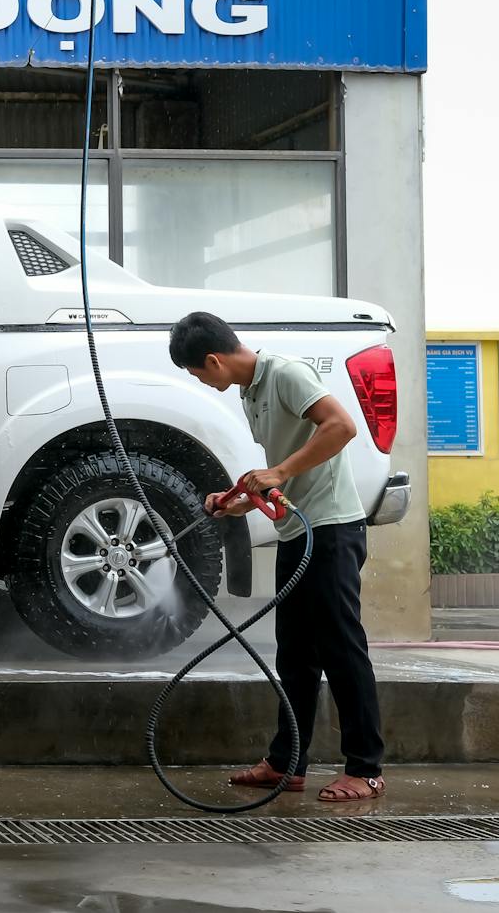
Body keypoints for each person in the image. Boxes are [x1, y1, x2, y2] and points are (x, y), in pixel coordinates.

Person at [168, 311, 386, 802]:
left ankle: (366, 768)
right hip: (297, 533)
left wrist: (280, 471)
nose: (200, 382)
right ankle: (288, 763)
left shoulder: (286, 374)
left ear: (213, 360)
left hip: (330, 531)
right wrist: (236, 501)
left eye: (197, 374)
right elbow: (283, 479)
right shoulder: (250, 392)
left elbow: (341, 426)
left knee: (341, 650)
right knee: (294, 657)